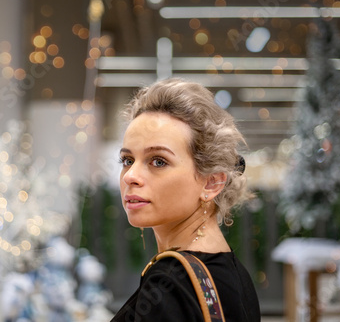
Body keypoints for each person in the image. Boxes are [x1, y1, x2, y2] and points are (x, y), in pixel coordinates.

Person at [111, 78, 260, 321]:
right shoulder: (230, 271)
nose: (131, 176)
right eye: (127, 160)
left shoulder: (172, 284)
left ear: (212, 183)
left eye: (158, 161)